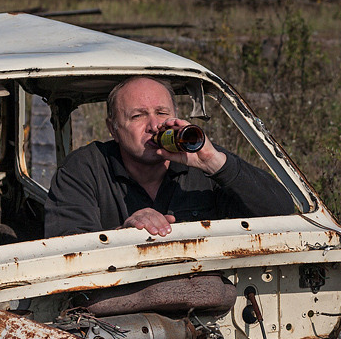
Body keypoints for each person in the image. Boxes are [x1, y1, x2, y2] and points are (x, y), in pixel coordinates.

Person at [44, 76, 294, 238]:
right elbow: (67, 247)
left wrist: (215, 163)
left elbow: (280, 210)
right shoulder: (84, 168)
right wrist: (123, 234)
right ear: (113, 129)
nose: (154, 125)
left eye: (162, 113)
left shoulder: (201, 159)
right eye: (137, 116)